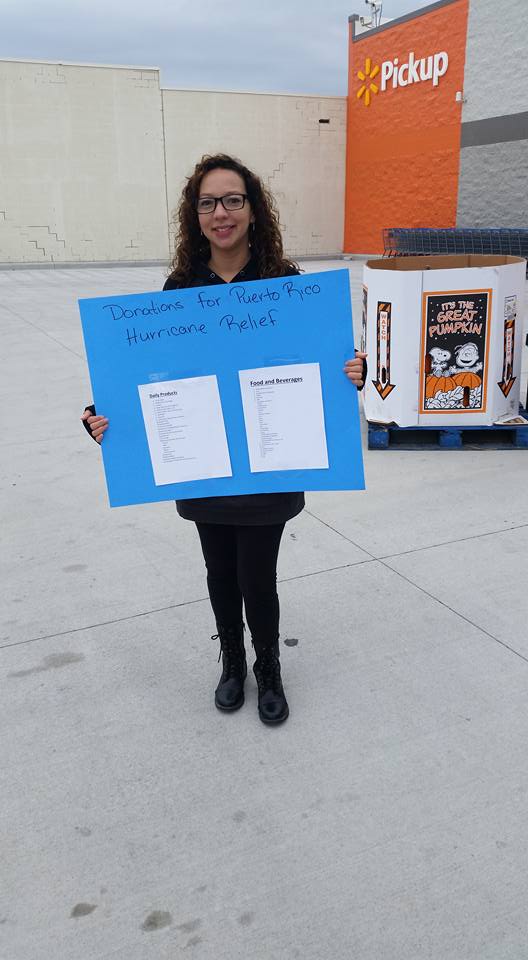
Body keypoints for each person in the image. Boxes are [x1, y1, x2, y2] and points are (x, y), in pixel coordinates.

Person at [82, 153, 366, 725]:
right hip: (206, 465)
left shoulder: (286, 285)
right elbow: (153, 374)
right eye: (208, 202)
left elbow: (322, 365)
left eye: (233, 200)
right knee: (219, 571)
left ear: (254, 210)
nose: (221, 212)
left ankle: (268, 668)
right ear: (195, 214)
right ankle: (230, 661)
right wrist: (104, 414)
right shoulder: (180, 287)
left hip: (268, 464)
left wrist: (351, 372)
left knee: (258, 574)